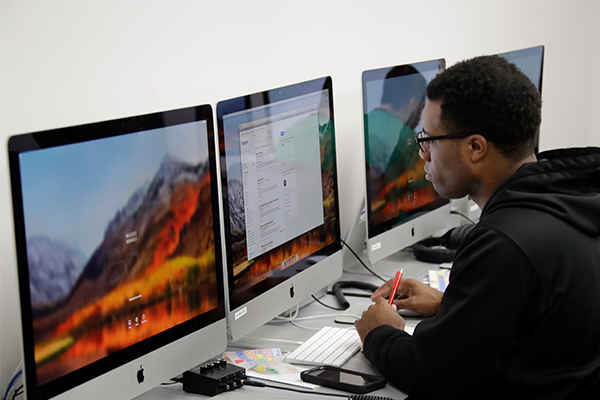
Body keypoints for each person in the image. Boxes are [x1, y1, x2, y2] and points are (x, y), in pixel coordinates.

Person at [354, 55, 600, 399]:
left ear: (475, 148)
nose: (422, 154)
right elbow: (540, 312)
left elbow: (431, 374)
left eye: (428, 139)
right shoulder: (571, 198)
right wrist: (452, 305)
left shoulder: (504, 243)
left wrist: (379, 333)